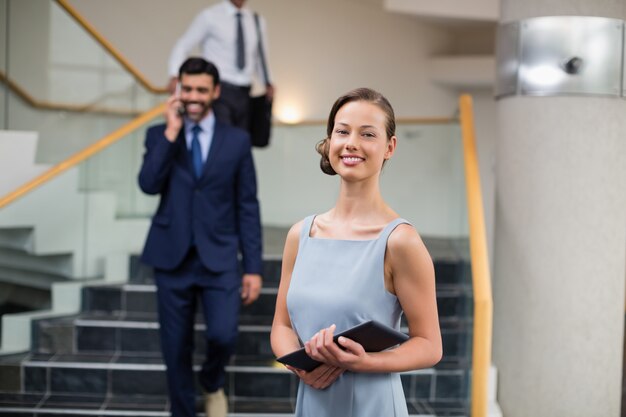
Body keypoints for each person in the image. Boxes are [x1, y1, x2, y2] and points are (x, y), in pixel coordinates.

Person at [270, 88, 442, 416]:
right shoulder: (300, 235)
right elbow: (281, 327)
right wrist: (301, 366)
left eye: (367, 134)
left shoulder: (400, 241)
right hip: (313, 401)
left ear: (389, 147)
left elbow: (430, 345)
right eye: (342, 131)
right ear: (330, 141)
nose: (351, 143)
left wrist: (367, 362)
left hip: (372, 404)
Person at [138, 57, 263, 417]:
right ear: (178, 90)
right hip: (170, 256)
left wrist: (252, 266)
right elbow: (148, 185)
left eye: (200, 89)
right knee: (174, 347)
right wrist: (172, 132)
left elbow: (247, 206)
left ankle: (211, 381)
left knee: (223, 335)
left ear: (215, 92)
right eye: (187, 88)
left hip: (220, 256)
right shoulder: (159, 135)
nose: (193, 96)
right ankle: (182, 412)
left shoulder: (237, 141)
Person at [167, 0, 274, 132]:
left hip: (245, 92)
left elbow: (259, 56)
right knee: (223, 138)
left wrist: (268, 82)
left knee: (241, 139)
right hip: (220, 91)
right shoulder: (210, 16)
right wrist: (174, 74)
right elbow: (183, 45)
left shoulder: (256, 20)